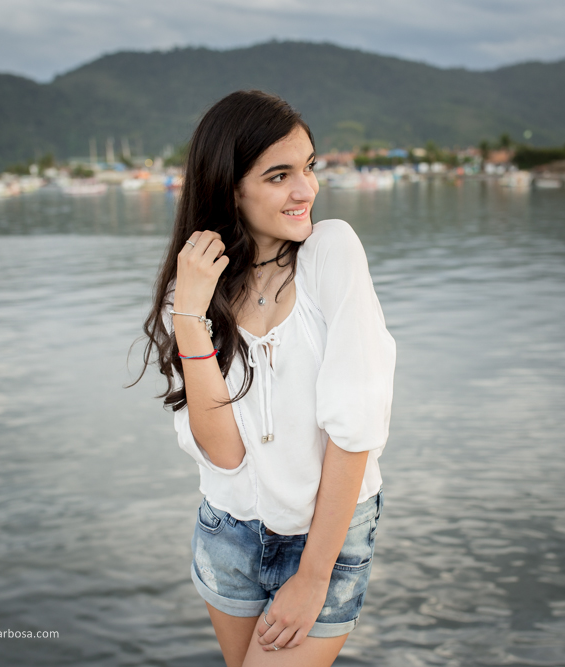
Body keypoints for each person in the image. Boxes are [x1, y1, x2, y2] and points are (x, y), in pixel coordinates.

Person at [136, 90, 396, 666]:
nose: (306, 190)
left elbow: (355, 429)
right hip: (228, 533)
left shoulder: (332, 252)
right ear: (229, 186)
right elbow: (224, 453)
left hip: (324, 539)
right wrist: (189, 319)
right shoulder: (192, 292)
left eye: (309, 167)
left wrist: (312, 577)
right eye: (279, 176)